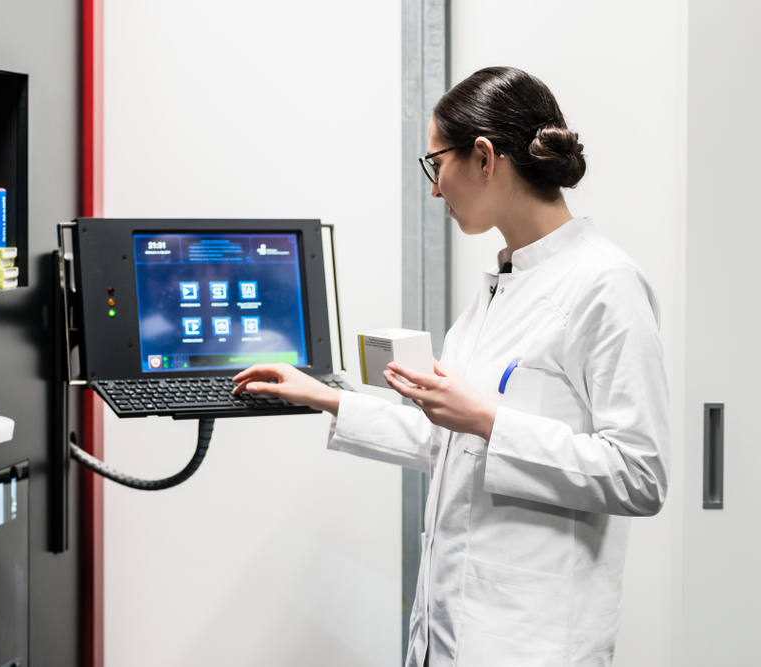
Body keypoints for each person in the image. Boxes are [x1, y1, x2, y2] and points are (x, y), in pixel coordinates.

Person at [233, 66, 669, 667]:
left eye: (436, 163)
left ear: (484, 157)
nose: (435, 189)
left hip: (531, 641)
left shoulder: (605, 284)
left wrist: (491, 421)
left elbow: (640, 476)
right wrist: (328, 398)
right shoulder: (500, 288)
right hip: (447, 631)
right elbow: (454, 445)